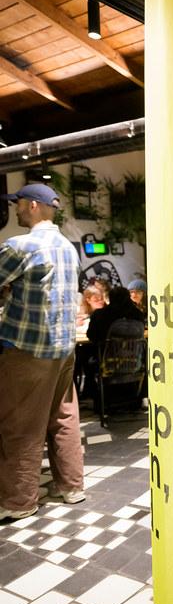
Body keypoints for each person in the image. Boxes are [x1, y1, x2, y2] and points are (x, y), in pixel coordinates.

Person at [0, 183, 84, 521]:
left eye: (18, 203)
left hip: (28, 351)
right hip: (64, 350)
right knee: (64, 417)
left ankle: (19, 501)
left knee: (21, 424)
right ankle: (71, 487)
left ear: (33, 205)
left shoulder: (20, 246)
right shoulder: (68, 248)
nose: (16, 209)